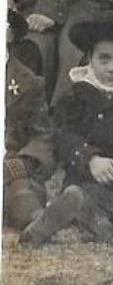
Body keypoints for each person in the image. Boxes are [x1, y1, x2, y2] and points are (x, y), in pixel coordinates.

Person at [30, 11, 113, 243]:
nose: (112, 68)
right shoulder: (77, 93)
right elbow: (63, 134)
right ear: (90, 58)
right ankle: (82, 213)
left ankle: (108, 220)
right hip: (88, 174)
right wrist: (90, 159)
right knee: (82, 194)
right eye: (104, 59)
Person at [5, 45, 59, 239]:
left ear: (10, 35)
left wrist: (25, 160)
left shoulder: (28, 82)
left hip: (12, 169)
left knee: (22, 191)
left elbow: (42, 134)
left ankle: (38, 222)